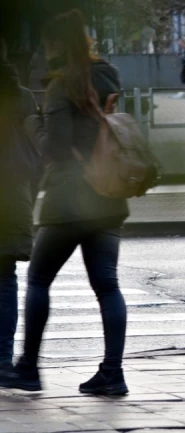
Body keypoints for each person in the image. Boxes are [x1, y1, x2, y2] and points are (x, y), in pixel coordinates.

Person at [1, 9, 130, 394]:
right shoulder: (107, 75)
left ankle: (28, 368)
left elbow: (55, 148)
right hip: (109, 195)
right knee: (107, 284)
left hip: (68, 201)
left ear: (56, 44)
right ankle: (113, 373)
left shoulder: (62, 86)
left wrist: (33, 124)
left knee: (39, 279)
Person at [0, 38, 38, 386]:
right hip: (12, 196)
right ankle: (1, 361)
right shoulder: (23, 97)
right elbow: (38, 148)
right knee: (4, 277)